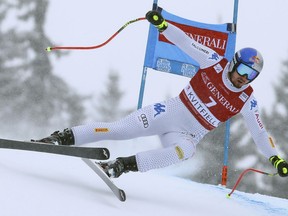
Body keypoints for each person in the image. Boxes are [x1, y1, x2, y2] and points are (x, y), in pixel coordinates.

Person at [33, 10, 288, 178]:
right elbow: (186, 42)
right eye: (243, 69)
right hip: (169, 112)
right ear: (234, 62)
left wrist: (276, 159)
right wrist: (163, 26)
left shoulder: (247, 99)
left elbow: (259, 132)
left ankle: (122, 165)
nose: (244, 77)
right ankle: (61, 138)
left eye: (252, 74)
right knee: (120, 129)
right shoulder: (213, 61)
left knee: (185, 152)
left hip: (188, 134)